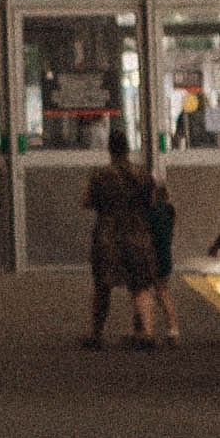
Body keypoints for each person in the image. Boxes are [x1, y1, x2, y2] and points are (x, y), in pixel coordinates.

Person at [83, 124, 158, 348]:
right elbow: (153, 201)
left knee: (102, 286)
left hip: (108, 234)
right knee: (140, 285)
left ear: (110, 150)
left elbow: (86, 201)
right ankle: (146, 332)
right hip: (138, 232)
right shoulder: (143, 174)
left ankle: (96, 334)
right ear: (127, 149)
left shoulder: (100, 175)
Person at [146, 165, 180, 344]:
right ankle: (171, 328)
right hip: (166, 255)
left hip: (154, 256)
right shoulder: (169, 211)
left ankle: (167, 328)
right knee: (162, 292)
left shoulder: (152, 212)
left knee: (147, 292)